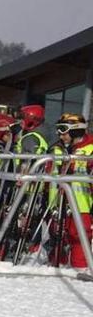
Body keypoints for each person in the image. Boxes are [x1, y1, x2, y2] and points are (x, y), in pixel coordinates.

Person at [52, 114, 93, 269]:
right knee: (58, 236)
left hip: (82, 205)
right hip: (60, 203)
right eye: (58, 130)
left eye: (63, 130)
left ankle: (79, 269)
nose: (60, 135)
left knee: (79, 237)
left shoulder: (90, 148)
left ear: (76, 131)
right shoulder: (59, 149)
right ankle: (56, 269)